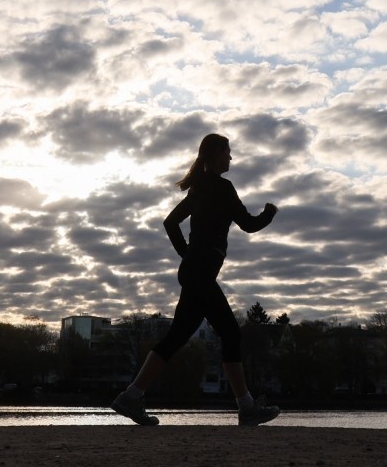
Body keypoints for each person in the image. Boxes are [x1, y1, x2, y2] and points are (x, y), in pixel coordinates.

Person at [112, 133, 281, 426]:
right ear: (216, 153)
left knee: (177, 337)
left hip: (193, 272)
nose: (231, 157)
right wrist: (270, 212)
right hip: (200, 274)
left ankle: (130, 397)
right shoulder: (223, 188)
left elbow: (170, 222)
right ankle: (247, 407)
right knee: (231, 333)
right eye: (228, 151)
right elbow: (249, 225)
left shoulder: (199, 188)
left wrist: (186, 255)